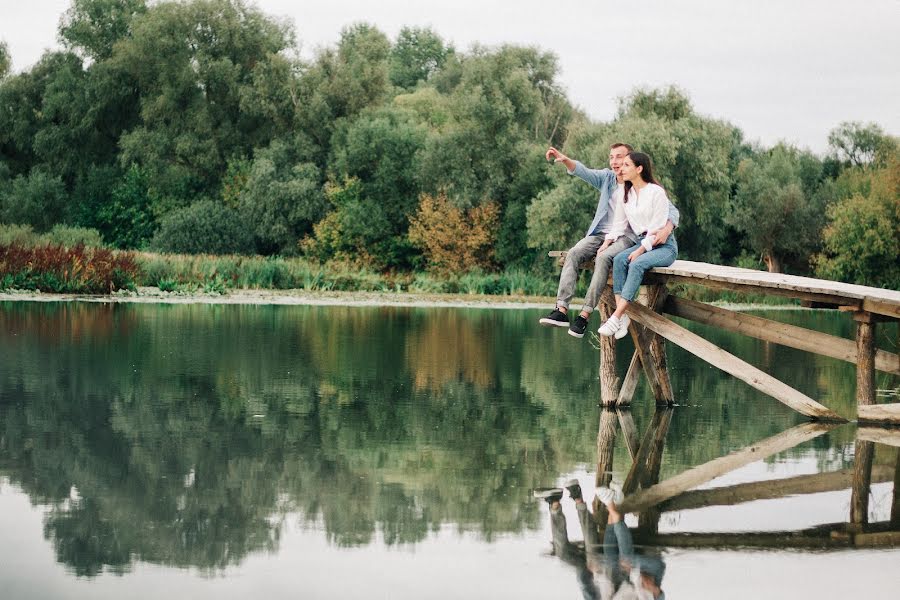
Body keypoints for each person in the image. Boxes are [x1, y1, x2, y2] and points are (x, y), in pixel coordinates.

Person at [539, 144, 679, 339]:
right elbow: (583, 171)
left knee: (605, 258)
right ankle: (561, 310)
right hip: (603, 234)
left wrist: (667, 228)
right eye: (611, 157)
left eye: (620, 158)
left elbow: (671, 211)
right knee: (574, 253)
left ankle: (585, 315)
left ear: (631, 162)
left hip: (629, 238)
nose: (614, 162)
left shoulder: (645, 186)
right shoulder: (608, 179)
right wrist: (565, 159)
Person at [534, 481, 666, 599]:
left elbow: (586, 587)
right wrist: (651, 587)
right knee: (601, 556)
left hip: (597, 571)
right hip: (615, 569)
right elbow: (646, 579)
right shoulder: (648, 592)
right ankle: (581, 498)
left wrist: (589, 572)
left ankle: (555, 504)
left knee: (562, 554)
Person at [597, 152, 678, 339]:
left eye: (626, 165)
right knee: (618, 260)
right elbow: (618, 224)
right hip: (642, 242)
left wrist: (641, 250)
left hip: (664, 246)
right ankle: (622, 316)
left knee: (636, 264)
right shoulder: (625, 194)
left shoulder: (656, 192)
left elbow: (658, 230)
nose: (620, 168)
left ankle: (615, 317)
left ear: (639, 168)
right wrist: (607, 243)